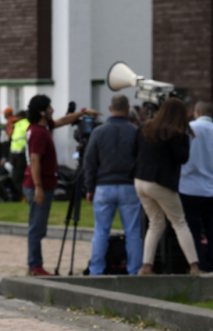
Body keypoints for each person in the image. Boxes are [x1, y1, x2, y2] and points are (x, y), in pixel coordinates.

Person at [23, 95, 98, 276]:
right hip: (38, 186)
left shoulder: (40, 128)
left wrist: (81, 113)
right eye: (49, 107)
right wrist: (39, 187)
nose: (52, 110)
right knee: (37, 227)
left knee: (38, 225)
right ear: (42, 111)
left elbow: (62, 121)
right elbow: (35, 160)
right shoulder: (40, 133)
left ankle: (35, 264)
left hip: (39, 184)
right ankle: (35, 265)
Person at [132, 97, 202, 275]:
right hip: (160, 182)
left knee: (155, 223)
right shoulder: (175, 132)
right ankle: (194, 266)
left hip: (140, 180)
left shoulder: (145, 127)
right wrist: (184, 137)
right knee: (179, 222)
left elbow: (133, 152)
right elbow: (182, 157)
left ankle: (146, 266)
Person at [84, 95, 142, 275]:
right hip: (129, 186)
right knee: (133, 232)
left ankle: (96, 270)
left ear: (110, 109)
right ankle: (135, 270)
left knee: (100, 231)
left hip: (103, 186)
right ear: (128, 109)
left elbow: (90, 162)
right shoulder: (135, 132)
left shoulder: (99, 132)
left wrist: (89, 188)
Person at [179, 101, 213, 272]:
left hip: (189, 187)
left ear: (197, 112)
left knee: (192, 229)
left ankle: (197, 263)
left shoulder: (189, 128)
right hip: (211, 188)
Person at [9, 110, 29, 201]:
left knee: (18, 177)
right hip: (16, 154)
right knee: (17, 177)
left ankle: (26, 196)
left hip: (21, 154)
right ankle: (24, 196)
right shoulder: (17, 125)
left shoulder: (24, 124)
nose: (16, 118)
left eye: (18, 116)